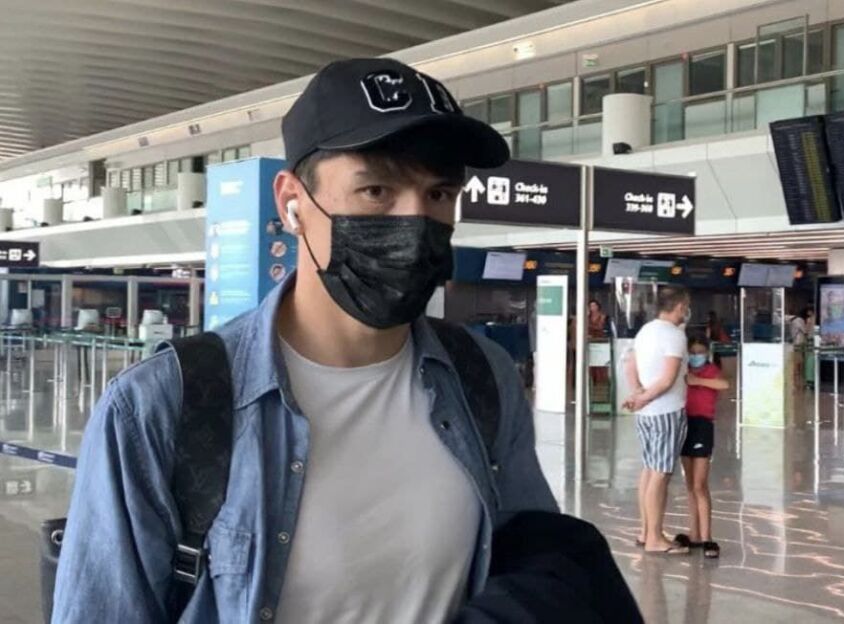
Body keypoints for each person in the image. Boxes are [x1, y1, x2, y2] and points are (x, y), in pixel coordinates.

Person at [53, 58, 636, 623]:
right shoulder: (162, 406)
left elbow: (532, 561)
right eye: (376, 190)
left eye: (439, 195)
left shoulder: (481, 376)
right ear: (292, 203)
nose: (414, 221)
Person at [624, 287, 691, 556]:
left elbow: (630, 364)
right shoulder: (674, 335)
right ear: (680, 307)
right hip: (666, 412)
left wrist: (637, 393)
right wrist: (644, 398)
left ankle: (646, 531)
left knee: (650, 470)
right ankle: (654, 539)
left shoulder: (646, 331)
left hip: (646, 414)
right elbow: (668, 379)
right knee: (660, 475)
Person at [678, 335, 729, 559]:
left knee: (700, 485)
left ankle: (708, 536)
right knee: (690, 485)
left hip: (702, 426)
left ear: (707, 353)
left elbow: (724, 384)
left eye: (700, 352)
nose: (696, 356)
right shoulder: (683, 371)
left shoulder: (710, 371)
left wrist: (697, 381)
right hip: (684, 423)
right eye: (692, 352)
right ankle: (694, 534)